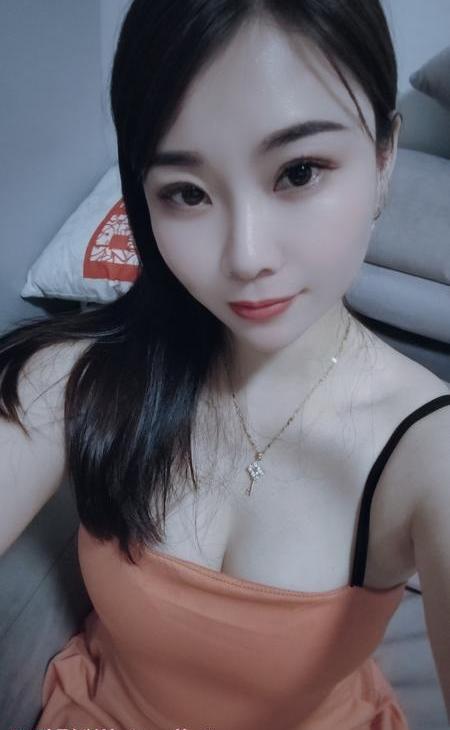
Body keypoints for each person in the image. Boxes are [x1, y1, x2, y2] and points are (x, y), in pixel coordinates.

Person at [0, 1, 449, 728]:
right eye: (187, 193)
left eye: (298, 172)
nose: (245, 256)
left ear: (383, 157)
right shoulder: (79, 372)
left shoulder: (429, 450)